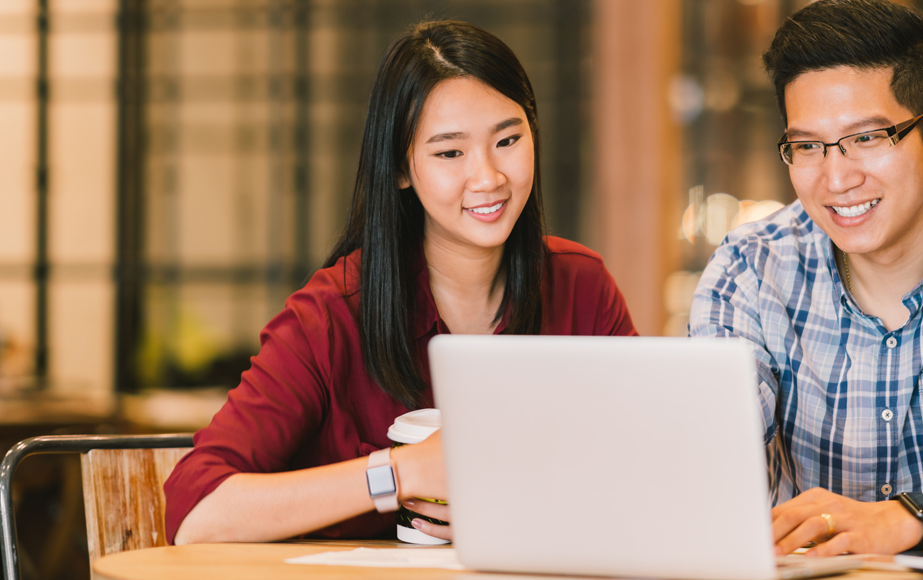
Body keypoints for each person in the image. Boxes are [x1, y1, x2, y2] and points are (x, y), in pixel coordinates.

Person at [165, 21, 637, 544]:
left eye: (507, 140)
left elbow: (651, 475)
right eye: (449, 152)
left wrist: (525, 509)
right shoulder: (332, 313)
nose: (488, 177)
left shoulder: (581, 287)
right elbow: (197, 515)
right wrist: (401, 473)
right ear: (400, 168)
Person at [689, 0, 923, 556]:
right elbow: (712, 445)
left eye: (868, 138)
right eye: (807, 146)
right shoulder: (750, 268)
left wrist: (902, 523)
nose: (837, 177)